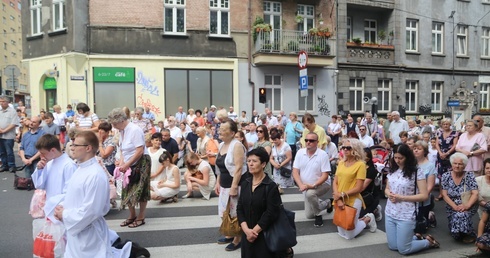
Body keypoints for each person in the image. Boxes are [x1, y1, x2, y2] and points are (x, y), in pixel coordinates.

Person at [53, 130, 150, 258]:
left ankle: (130, 252)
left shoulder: (95, 175)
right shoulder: (80, 168)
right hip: (77, 228)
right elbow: (74, 195)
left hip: (89, 232)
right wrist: (63, 206)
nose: (72, 148)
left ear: (88, 148)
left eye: (76, 145)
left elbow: (92, 210)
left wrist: (65, 214)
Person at [237, 147, 293, 258]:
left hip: (265, 234)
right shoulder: (245, 183)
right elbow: (240, 208)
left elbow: (271, 212)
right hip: (247, 233)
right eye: (248, 161)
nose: (250, 164)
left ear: (263, 164)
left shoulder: (270, 186)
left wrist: (254, 231)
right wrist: (246, 230)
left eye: (254, 161)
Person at [385, 144, 436, 255]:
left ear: (407, 157)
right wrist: (389, 194)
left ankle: (428, 242)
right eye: (396, 157)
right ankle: (413, 237)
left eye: (400, 158)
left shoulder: (416, 172)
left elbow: (424, 195)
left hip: (406, 213)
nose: (397, 160)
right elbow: (387, 188)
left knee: (404, 249)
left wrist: (402, 197)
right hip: (390, 211)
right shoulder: (393, 169)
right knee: (393, 246)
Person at [108, 108, 151, 229]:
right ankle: (132, 215)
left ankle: (141, 216)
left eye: (114, 123)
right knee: (126, 189)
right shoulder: (122, 131)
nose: (114, 126)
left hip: (141, 161)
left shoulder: (134, 129)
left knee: (140, 190)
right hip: (128, 161)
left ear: (121, 120)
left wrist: (126, 164)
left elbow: (140, 150)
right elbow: (122, 150)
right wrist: (122, 163)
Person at [333, 138, 376, 239]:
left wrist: (341, 195)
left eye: (348, 147)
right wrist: (338, 198)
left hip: (353, 200)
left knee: (349, 236)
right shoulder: (341, 163)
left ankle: (368, 218)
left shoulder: (360, 165)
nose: (345, 149)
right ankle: (358, 221)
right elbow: (335, 182)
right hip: (339, 199)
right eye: (343, 147)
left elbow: (359, 188)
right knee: (341, 232)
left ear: (355, 149)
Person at [214, 119, 247, 251]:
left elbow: (239, 168)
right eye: (220, 129)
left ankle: (237, 239)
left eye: (223, 129)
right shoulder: (222, 145)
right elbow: (220, 167)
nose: (220, 131)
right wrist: (218, 182)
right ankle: (230, 233)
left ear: (232, 132)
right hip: (224, 185)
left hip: (236, 184)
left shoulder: (237, 145)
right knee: (224, 212)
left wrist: (234, 187)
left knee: (234, 213)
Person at [32, 134, 77, 221]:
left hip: (61, 209)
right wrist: (40, 169)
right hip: (50, 207)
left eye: (43, 153)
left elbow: (71, 192)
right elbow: (39, 185)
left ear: (52, 150)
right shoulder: (49, 163)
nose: (41, 156)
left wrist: (56, 205)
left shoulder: (69, 165)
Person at [292, 132, 332, 227]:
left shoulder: (322, 155)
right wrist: (301, 185)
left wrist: (313, 185)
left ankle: (318, 215)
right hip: (305, 186)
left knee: (310, 194)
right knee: (309, 215)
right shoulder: (300, 152)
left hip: (322, 184)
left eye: (311, 140)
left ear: (317, 142)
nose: (308, 142)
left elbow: (325, 175)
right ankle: (328, 203)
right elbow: (295, 171)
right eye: (306, 140)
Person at [441, 152, 480, 243]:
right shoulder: (446, 176)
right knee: (455, 233)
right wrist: (454, 206)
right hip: (452, 205)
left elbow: (475, 193)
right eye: (455, 163)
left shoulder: (469, 176)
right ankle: (459, 230)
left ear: (464, 165)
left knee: (461, 215)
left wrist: (466, 206)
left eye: (460, 164)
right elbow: (444, 195)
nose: (457, 166)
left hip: (467, 204)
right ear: (451, 164)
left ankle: (470, 233)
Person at [414, 140, 437, 229]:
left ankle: (430, 216)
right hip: (411, 196)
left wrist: (423, 195)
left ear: (425, 151)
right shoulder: (410, 164)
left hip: (423, 198)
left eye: (419, 149)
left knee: (422, 226)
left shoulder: (430, 166)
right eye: (414, 148)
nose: (416, 150)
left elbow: (430, 185)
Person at [435, 118, 459, 200]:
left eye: (447, 124)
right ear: (442, 125)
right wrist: (440, 153)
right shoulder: (439, 132)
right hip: (440, 156)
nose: (445, 125)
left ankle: (450, 194)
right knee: (441, 175)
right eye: (444, 124)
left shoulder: (455, 133)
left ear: (450, 125)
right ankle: (441, 193)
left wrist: (447, 153)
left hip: (450, 156)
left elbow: (455, 145)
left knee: (451, 175)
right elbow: (437, 144)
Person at [359, 147, 381, 220]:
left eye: (366, 156)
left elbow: (362, 188)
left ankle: (376, 209)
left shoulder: (371, 170)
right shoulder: (356, 166)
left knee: (358, 217)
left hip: (368, 197)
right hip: (357, 194)